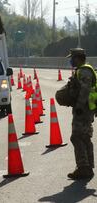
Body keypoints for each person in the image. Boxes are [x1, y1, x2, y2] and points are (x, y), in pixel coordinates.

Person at [66, 48, 96, 180]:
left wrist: (78, 107)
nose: (71, 61)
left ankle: (83, 167)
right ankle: (88, 168)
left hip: (83, 110)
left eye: (72, 58)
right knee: (84, 137)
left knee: (77, 137)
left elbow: (85, 90)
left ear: (78, 58)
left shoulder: (84, 71)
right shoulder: (82, 70)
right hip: (86, 108)